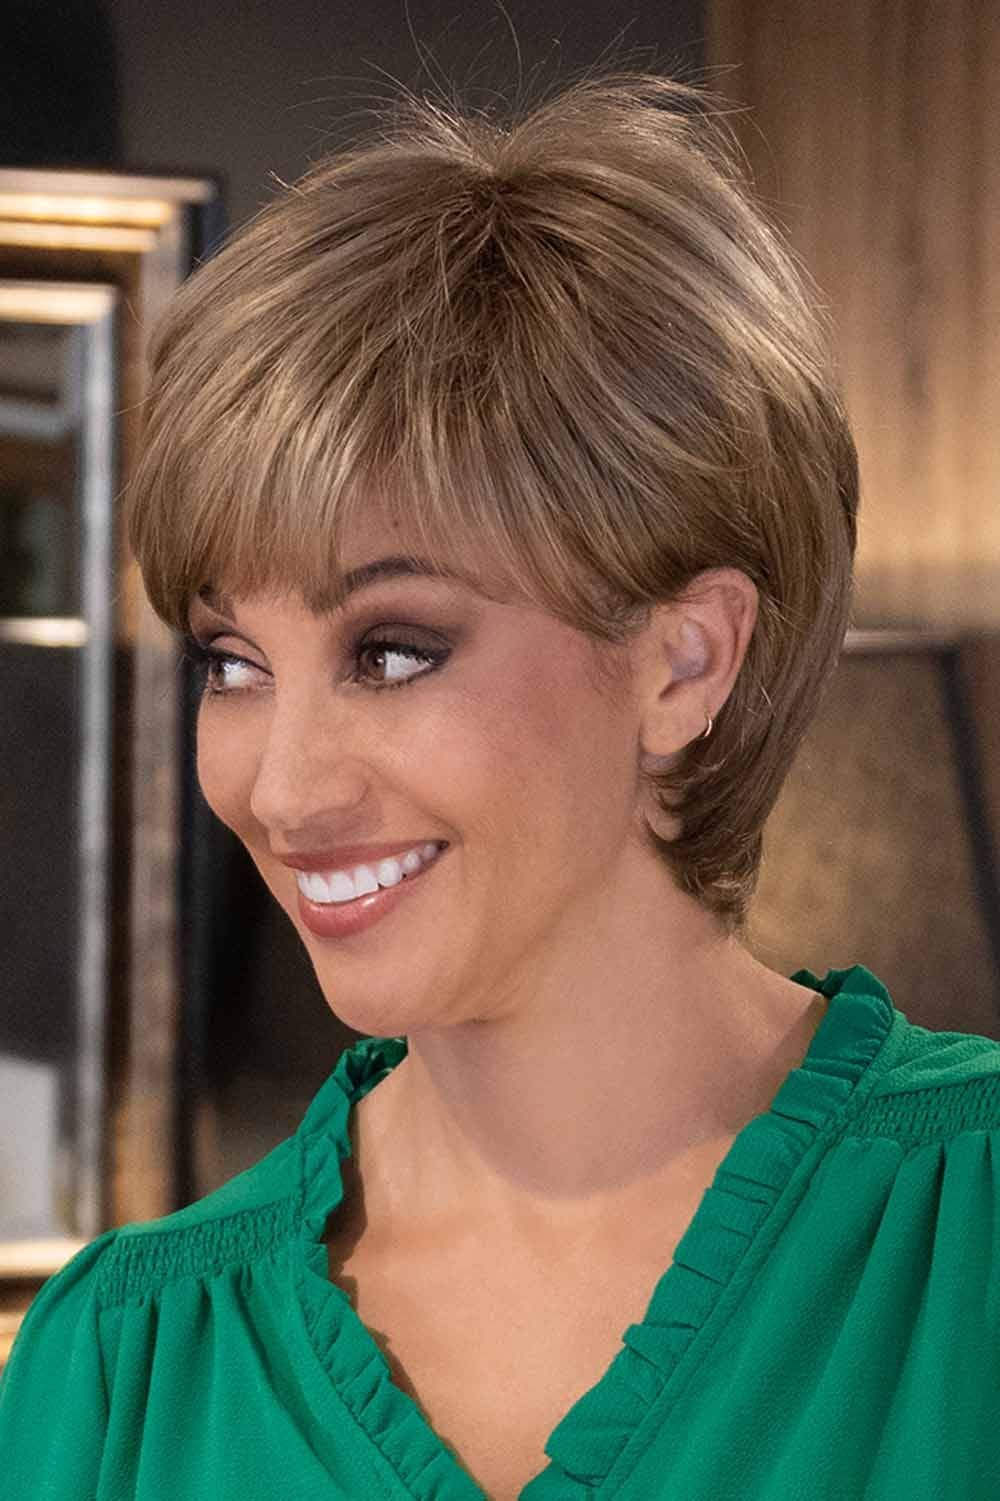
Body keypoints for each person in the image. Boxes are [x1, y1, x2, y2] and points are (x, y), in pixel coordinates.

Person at [2, 70, 999, 1501]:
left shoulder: (969, 1244)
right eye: (232, 661)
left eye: (392, 650)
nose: (282, 789)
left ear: (686, 660)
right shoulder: (119, 1370)